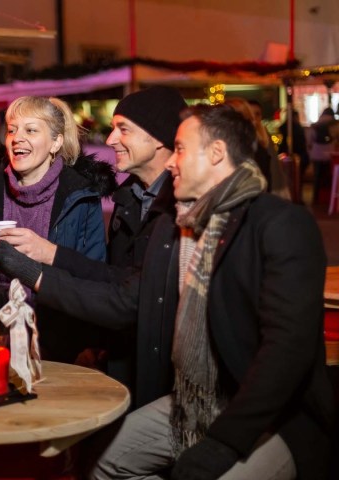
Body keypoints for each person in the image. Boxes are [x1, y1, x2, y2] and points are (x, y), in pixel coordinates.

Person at [91, 104, 334, 480]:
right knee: (101, 458)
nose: (172, 162)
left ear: (217, 153)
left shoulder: (280, 222)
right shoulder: (184, 225)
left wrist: (224, 442)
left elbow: (287, 351)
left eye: (181, 148)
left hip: (275, 413)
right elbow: (123, 288)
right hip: (198, 398)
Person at [0, 85, 187, 406]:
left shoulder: (181, 206)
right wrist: (49, 253)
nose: (109, 140)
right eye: (12, 129)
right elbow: (111, 275)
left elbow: (130, 297)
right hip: (115, 361)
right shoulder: (130, 199)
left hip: (158, 369)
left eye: (123, 129)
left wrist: (34, 271)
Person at [0, 95, 117, 363]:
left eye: (31, 130)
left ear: (55, 142)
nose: (17, 138)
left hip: (58, 344)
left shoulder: (81, 196)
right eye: (12, 129)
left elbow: (93, 278)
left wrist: (48, 253)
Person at [308, 106, 338, 205]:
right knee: (330, 177)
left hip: (316, 154)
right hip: (330, 154)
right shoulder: (334, 124)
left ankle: (315, 198)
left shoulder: (315, 125)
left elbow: (310, 141)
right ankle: (328, 199)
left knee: (317, 177)